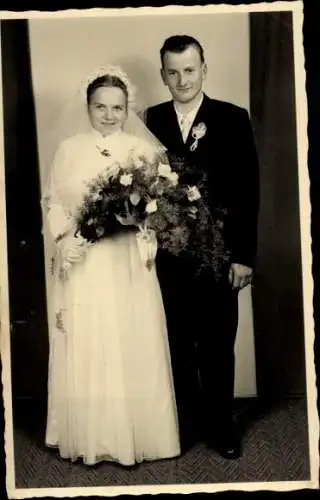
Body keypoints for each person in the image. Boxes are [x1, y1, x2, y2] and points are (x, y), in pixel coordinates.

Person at [41, 65, 180, 466]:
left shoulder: (144, 152)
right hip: (84, 261)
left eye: (116, 108)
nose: (108, 115)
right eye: (99, 106)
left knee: (128, 336)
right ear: (87, 106)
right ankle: (93, 436)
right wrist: (64, 238)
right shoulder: (68, 149)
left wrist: (136, 220)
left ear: (127, 109)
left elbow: (159, 210)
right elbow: (54, 201)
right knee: (89, 337)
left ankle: (137, 435)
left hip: (126, 260)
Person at [145, 35, 260, 459]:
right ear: (162, 75)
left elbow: (249, 191)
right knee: (176, 341)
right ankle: (187, 423)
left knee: (216, 343)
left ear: (203, 70)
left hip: (218, 255)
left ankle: (222, 425)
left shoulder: (232, 118)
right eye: (172, 72)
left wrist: (244, 256)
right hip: (169, 256)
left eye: (189, 70)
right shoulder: (150, 119)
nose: (182, 79)